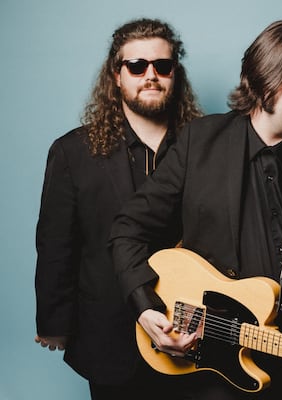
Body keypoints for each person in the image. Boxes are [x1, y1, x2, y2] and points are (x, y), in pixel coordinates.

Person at [109, 20, 282, 400]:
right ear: (266, 80)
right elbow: (128, 230)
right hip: (213, 368)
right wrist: (146, 308)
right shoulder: (200, 141)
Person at [34, 18, 202, 400]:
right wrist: (54, 321)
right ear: (116, 75)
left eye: (162, 65)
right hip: (108, 331)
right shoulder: (72, 152)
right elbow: (56, 243)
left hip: (190, 330)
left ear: (175, 74)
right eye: (137, 66)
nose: (151, 75)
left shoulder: (205, 147)